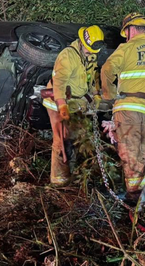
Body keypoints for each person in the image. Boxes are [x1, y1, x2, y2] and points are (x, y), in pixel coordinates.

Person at [101, 13, 145, 202]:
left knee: (130, 151)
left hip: (129, 108)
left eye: (126, 32)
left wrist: (109, 96)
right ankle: (143, 194)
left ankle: (133, 198)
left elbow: (107, 70)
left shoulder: (127, 48)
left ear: (130, 29)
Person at [42, 25, 104, 186]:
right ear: (83, 42)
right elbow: (59, 83)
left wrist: (96, 94)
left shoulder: (90, 55)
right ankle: (59, 179)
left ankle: (78, 174)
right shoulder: (68, 56)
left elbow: (93, 77)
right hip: (57, 102)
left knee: (78, 137)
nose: (91, 53)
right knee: (61, 139)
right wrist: (62, 105)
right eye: (89, 49)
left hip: (77, 103)